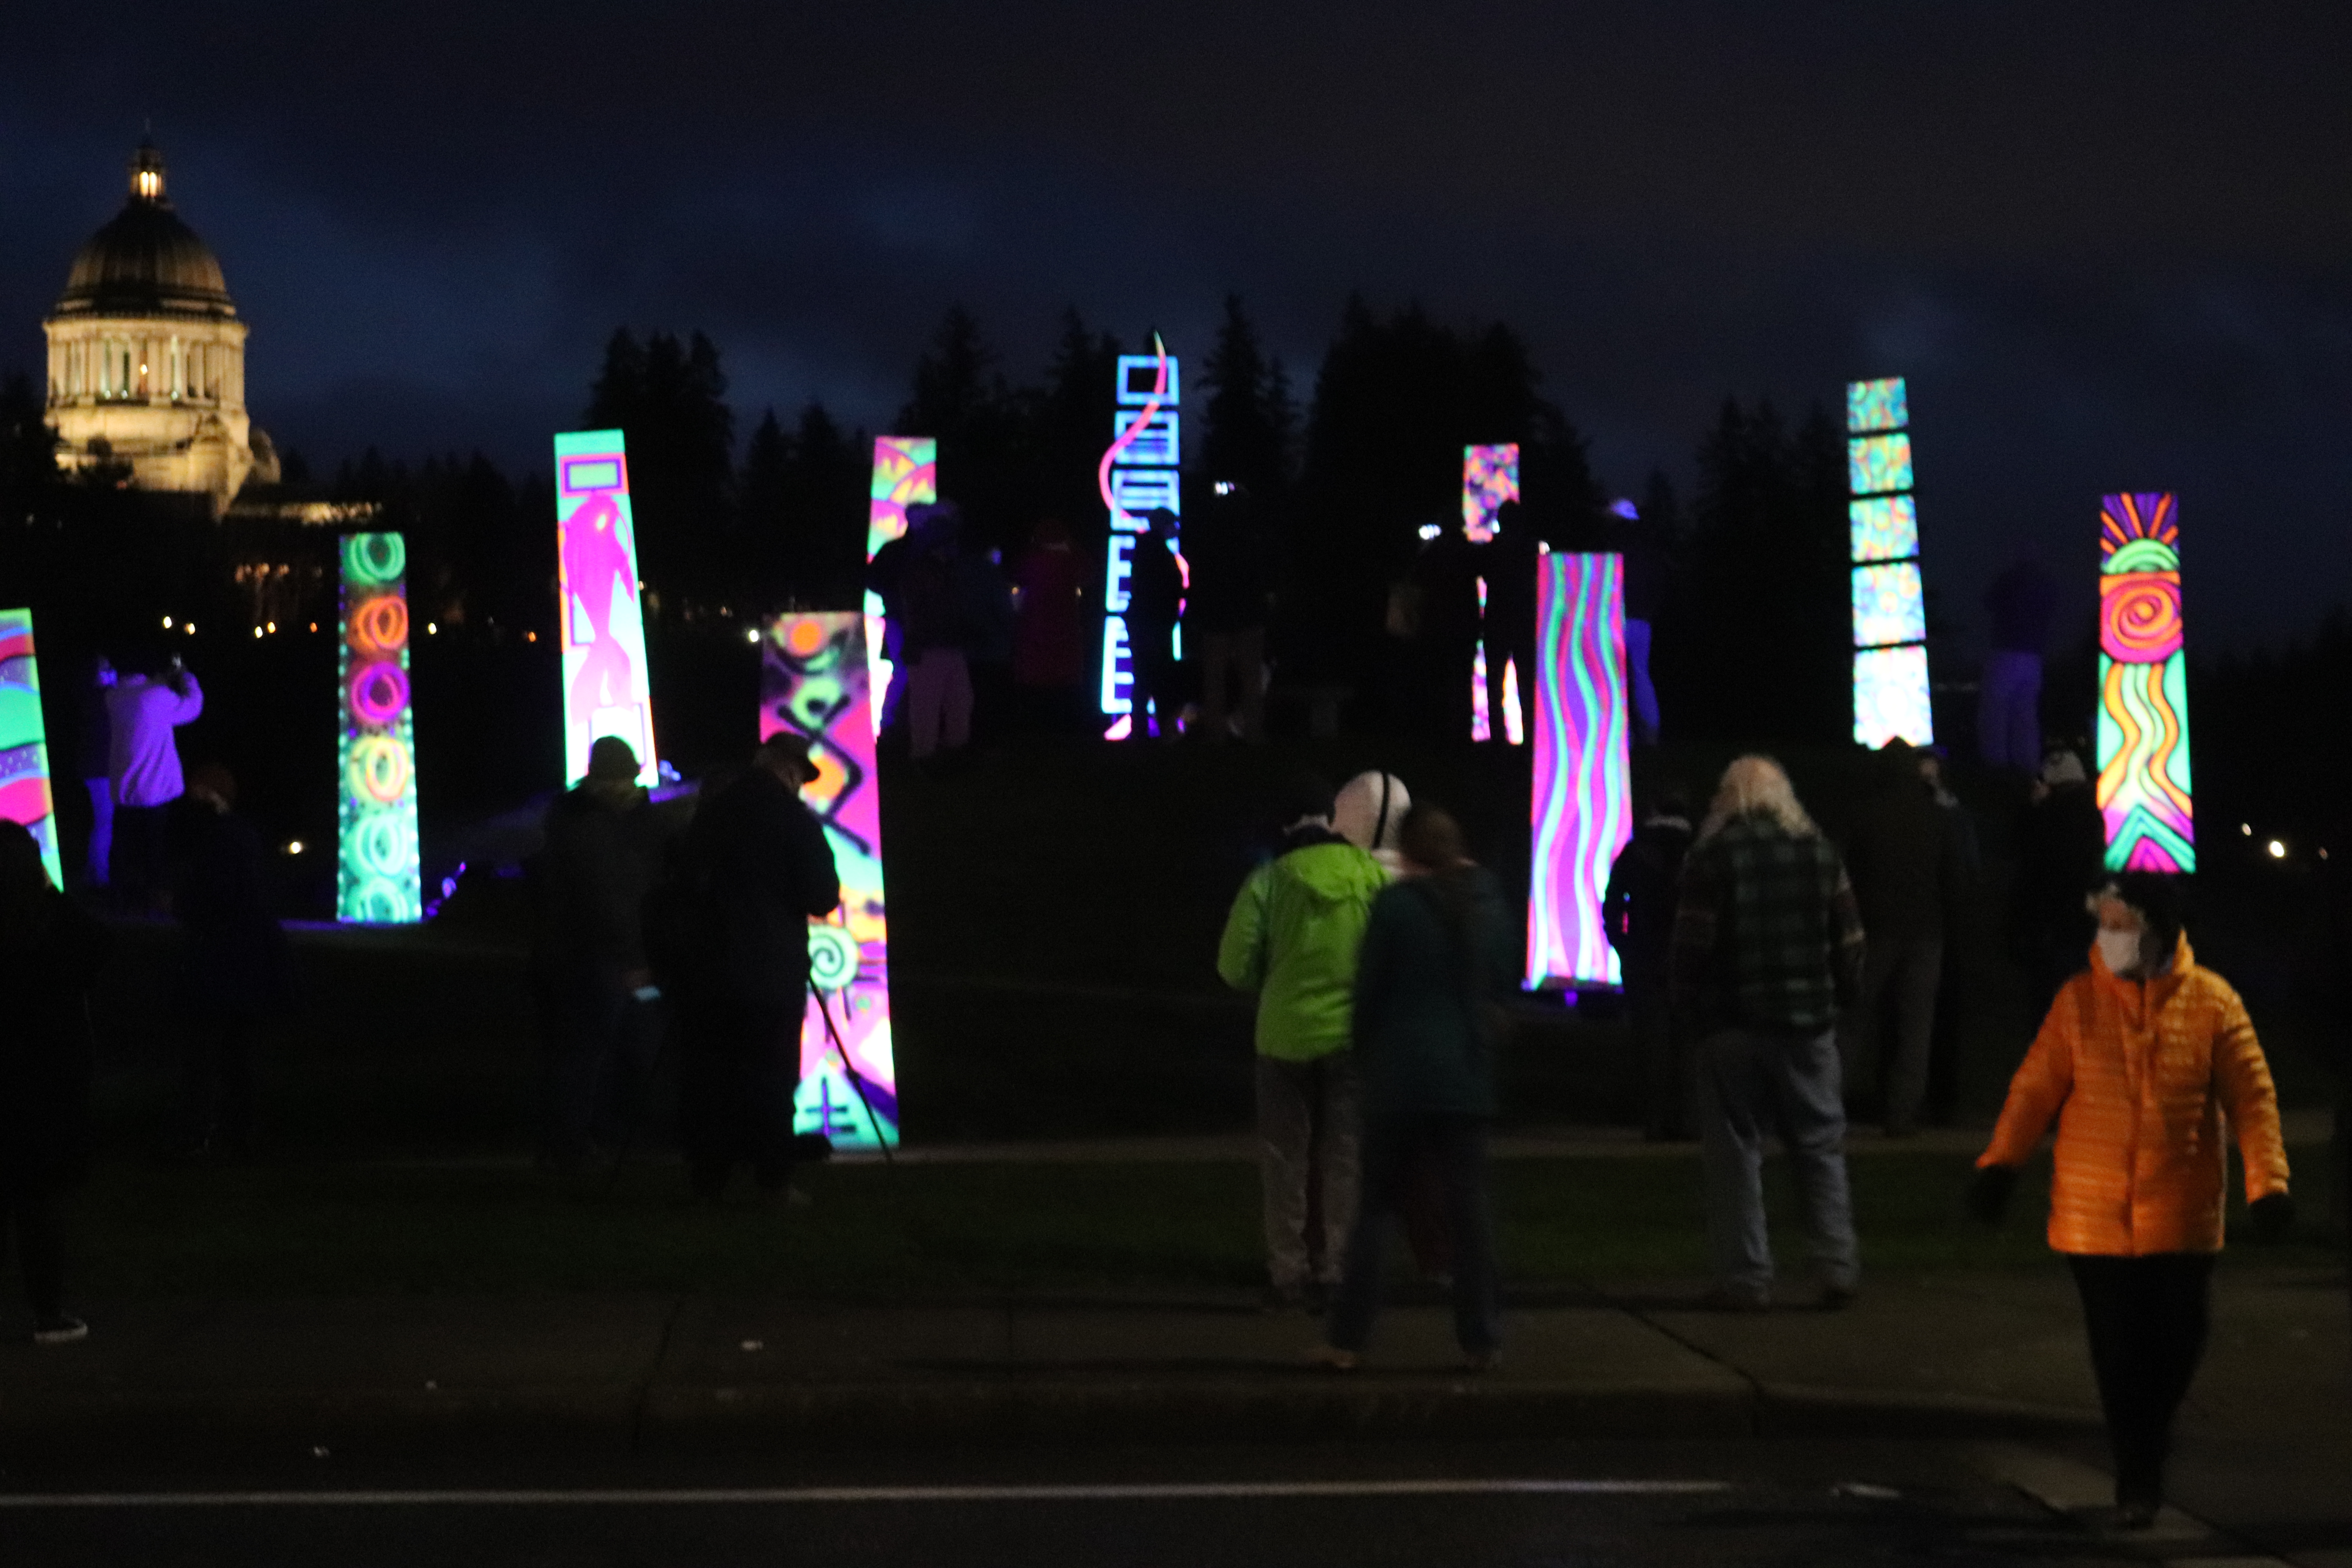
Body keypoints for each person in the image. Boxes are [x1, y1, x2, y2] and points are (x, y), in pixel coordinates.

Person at [1969, 872, 2292, 1528]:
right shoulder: (2078, 1002)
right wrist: (2000, 1165)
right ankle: (2138, 1476)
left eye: (2122, 927)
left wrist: (2269, 1185)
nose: (2108, 939)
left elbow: (2251, 1100)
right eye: (2104, 926)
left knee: (2180, 1339)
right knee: (2119, 1353)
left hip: (2182, 1213)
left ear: (2159, 934)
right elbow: (2036, 1088)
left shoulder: (2213, 1002)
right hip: (2094, 1218)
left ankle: (2150, 1436)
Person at [1316, 805, 1513, 1370]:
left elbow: (1369, 991)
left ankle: (1348, 1339)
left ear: (1408, 854)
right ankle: (1481, 1339)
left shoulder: (1397, 908)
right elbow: (1502, 984)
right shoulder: (1489, 905)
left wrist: (1364, 1054)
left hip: (1399, 1077)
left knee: (1376, 1208)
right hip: (1465, 1075)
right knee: (1469, 1211)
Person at [1672, 755, 1866, 1311]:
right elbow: (1851, 941)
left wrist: (1686, 1008)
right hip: (1807, 1024)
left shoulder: (1712, 857)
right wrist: (1841, 998)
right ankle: (1836, 1266)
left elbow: (1691, 945)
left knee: (1735, 1154)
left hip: (1731, 1023)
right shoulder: (1820, 853)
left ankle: (1746, 1277)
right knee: (1820, 1146)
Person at [1217, 774, 1387, 1310]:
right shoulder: (1368, 874)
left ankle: (1287, 1270)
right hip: (1350, 1037)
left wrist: (1273, 980)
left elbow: (1233, 967)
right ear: (1331, 821)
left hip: (1283, 1037)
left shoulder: (1269, 881)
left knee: (1283, 1158)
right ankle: (1337, 1269)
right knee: (1345, 1156)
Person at [671, 734, 840, 1200]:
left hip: (711, 968)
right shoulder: (794, 821)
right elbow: (823, 896)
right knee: (772, 1075)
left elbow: (683, 881)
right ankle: (774, 1178)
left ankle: (710, 1177)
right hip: (773, 969)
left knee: (714, 1075)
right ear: (788, 772)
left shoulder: (713, 814)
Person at [533, 737, 673, 1174]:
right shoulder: (601, 826)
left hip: (599, 959)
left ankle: (586, 1140)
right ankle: (588, 1141)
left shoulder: (577, 820)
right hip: (610, 961)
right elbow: (611, 899)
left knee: (593, 1051)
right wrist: (637, 960)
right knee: (603, 1051)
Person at [0, 819, 110, 1344]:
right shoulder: (52, 927)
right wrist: (50, 891)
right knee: (39, 1201)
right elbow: (98, 948)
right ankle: (47, 1313)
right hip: (44, 1079)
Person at [1837, 739, 1965, 1136]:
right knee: (1916, 1027)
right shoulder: (1937, 817)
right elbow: (1953, 878)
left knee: (1854, 1020)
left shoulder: (1866, 815)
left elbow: (1848, 874)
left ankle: (1827, 1106)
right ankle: (1902, 1112)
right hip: (1926, 932)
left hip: (1875, 929)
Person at [170, 764, 290, 1158]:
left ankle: (202, 1134)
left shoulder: (214, 839)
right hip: (243, 960)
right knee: (236, 1053)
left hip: (217, 960)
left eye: (197, 791)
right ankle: (238, 1132)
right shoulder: (242, 837)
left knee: (206, 1052)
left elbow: (207, 897)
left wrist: (184, 903)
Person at [1605, 785, 1696, 1140]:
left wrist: (1622, 945)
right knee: (1686, 1040)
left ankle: (1653, 1120)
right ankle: (1685, 1120)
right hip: (1688, 957)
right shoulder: (1698, 851)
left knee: (1651, 1040)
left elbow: (1613, 904)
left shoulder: (1635, 851)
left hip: (1643, 956)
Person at [2008, 748, 2107, 1022]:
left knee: (2047, 1000)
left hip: (2050, 921)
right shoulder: (2093, 814)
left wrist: (2034, 809)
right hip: (2083, 919)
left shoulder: (2049, 815)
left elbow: (2027, 856)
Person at [106, 651, 203, 912]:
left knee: (123, 850)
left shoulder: (114, 697)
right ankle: (155, 903)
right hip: (154, 791)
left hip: (124, 791)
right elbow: (193, 707)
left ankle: (119, 900)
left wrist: (160, 681)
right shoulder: (156, 695)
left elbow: (140, 692)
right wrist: (184, 675)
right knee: (155, 853)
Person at [1186, 485, 1271, 743]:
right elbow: (1263, 581)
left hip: (1216, 619)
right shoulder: (1253, 543)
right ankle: (1253, 733)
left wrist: (1197, 615)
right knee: (1251, 680)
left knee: (1215, 681)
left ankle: (1216, 736)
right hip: (1248, 617)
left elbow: (1198, 582)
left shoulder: (1209, 544)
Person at [900, 509, 975, 760]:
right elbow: (924, 609)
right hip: (932, 644)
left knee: (953, 702)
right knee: (934, 704)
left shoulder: (940, 569)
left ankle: (941, 751)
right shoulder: (927, 571)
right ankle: (928, 754)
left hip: (942, 643)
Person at [1980, 554, 2057, 772]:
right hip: (2033, 657)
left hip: (2006, 654)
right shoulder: (2044, 585)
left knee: (1996, 715)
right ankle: (2028, 771)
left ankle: (1998, 771)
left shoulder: (2009, 580)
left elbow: (1988, 602)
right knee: (2026, 717)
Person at [1011, 517, 1086, 735]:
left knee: (1037, 692)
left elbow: (1016, 582)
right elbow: (1091, 571)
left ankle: (1035, 735)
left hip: (1035, 634)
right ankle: (1061, 735)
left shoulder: (1031, 561)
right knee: (1062, 692)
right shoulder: (1072, 563)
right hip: (1065, 636)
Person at [1474, 499, 1539, 744]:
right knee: (1526, 686)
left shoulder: (1492, 549)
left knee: (1495, 687)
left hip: (1497, 623)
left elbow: (1485, 575)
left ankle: (1498, 740)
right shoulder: (1529, 549)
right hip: (1523, 624)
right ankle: (1530, 739)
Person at [953, 525, 1017, 746]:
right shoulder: (990, 574)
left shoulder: (954, 570)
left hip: (963, 645)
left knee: (964, 697)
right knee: (988, 697)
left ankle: (963, 740)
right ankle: (986, 741)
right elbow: (1004, 609)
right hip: (992, 646)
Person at [1124, 508, 1184, 739]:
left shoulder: (1145, 548)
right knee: (1158, 677)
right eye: (1173, 524)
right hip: (1155, 623)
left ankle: (1141, 730)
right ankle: (1163, 728)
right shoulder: (1157, 551)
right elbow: (1166, 587)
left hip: (1144, 621)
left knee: (1143, 676)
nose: (1177, 529)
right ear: (1164, 525)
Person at [1611, 499, 1665, 746]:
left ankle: (1626, 736)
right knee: (1641, 674)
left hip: (1617, 619)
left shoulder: (1614, 546)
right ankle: (1651, 731)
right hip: (1642, 620)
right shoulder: (1646, 548)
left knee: (1617, 677)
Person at [76, 656, 115, 891]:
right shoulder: (101, 700)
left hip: (95, 769)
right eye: (105, 668)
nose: (111, 672)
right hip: (100, 770)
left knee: (102, 822)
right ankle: (100, 875)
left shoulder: (92, 699)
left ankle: (93, 871)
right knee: (104, 822)